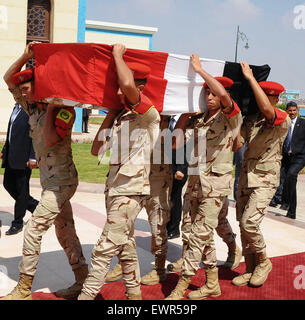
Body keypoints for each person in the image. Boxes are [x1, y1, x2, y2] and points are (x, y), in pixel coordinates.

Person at [0, 41, 88, 300]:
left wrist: (50, 106)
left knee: (33, 229)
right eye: (22, 90)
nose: (23, 94)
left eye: (27, 89)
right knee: (65, 230)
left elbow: (50, 140)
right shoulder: (31, 108)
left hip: (62, 181)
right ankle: (82, 280)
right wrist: (26, 55)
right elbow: (8, 79)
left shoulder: (62, 111)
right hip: (51, 181)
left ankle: (24, 288)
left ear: (39, 89)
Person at [77, 43, 160, 300]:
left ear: (141, 87)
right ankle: (134, 295)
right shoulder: (121, 117)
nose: (117, 89)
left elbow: (126, 86)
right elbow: (96, 150)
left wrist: (116, 56)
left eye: (124, 85)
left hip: (132, 190)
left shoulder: (149, 115)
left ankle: (86, 296)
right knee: (125, 245)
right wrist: (112, 112)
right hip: (114, 187)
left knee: (104, 248)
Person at [165, 54, 242, 300]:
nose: (209, 97)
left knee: (199, 236)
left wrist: (199, 70)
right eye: (206, 93)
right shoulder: (200, 120)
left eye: (213, 93)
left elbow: (226, 98)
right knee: (194, 233)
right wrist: (187, 114)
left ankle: (182, 285)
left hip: (215, 187)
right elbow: (175, 143)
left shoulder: (231, 118)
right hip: (196, 183)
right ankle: (212, 283)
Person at [232, 62, 290, 288]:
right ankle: (249, 268)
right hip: (246, 176)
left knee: (249, 223)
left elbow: (267, 111)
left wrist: (251, 79)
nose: (260, 100)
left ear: (275, 98)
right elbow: (237, 145)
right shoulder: (252, 120)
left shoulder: (281, 117)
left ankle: (264, 261)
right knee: (241, 224)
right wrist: (236, 118)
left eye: (266, 96)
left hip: (265, 179)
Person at [105, 115, 172, 285]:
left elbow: (173, 145)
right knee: (124, 225)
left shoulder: (164, 118)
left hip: (157, 180)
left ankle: (159, 268)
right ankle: (123, 264)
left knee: (158, 225)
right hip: (133, 178)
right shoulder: (127, 115)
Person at [1, 103, 39, 235]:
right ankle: (35, 206)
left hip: (24, 158)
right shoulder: (16, 108)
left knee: (21, 190)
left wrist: (33, 157)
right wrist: (4, 150)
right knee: (7, 184)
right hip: (11, 155)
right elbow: (11, 132)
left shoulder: (32, 110)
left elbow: (35, 135)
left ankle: (17, 223)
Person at [269, 101, 305, 219]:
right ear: (287, 111)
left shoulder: (303, 124)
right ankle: (284, 202)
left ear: (297, 111)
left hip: (299, 157)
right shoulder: (283, 123)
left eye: (294, 110)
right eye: (290, 110)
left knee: (291, 175)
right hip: (285, 156)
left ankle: (292, 211)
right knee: (281, 177)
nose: (292, 113)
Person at [166, 115, 188, 239]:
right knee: (167, 197)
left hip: (179, 165)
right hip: (167, 164)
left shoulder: (186, 120)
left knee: (175, 196)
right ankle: (167, 225)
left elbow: (186, 147)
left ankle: (174, 229)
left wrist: (181, 168)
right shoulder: (169, 119)